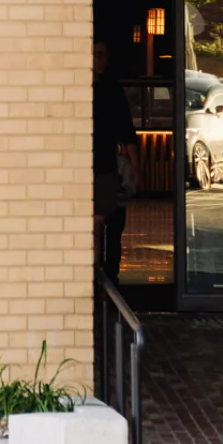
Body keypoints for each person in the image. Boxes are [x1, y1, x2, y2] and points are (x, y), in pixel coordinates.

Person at [92, 38, 138, 274]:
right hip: (92, 168)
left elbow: (126, 131)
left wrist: (135, 170)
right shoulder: (85, 90)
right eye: (98, 55)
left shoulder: (111, 89)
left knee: (111, 227)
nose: (102, 60)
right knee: (98, 227)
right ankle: (98, 279)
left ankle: (109, 279)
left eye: (105, 55)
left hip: (107, 168)